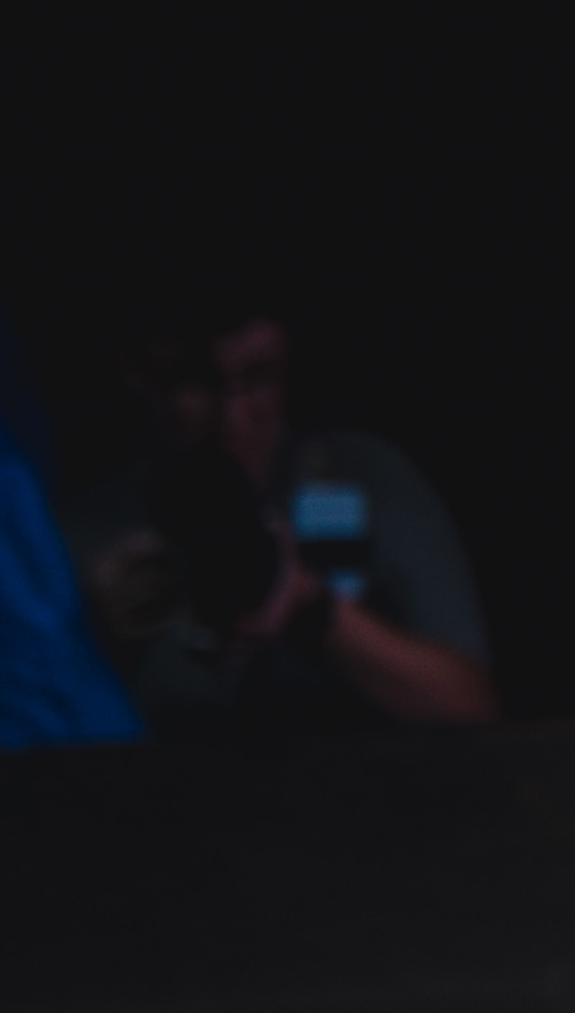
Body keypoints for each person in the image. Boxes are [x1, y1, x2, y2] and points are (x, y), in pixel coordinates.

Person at [63, 302, 499, 729]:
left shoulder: (363, 482)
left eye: (258, 377)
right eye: (198, 381)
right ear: (138, 371)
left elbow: (470, 708)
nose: (233, 418)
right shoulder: (91, 527)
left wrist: (311, 607)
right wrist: (88, 631)